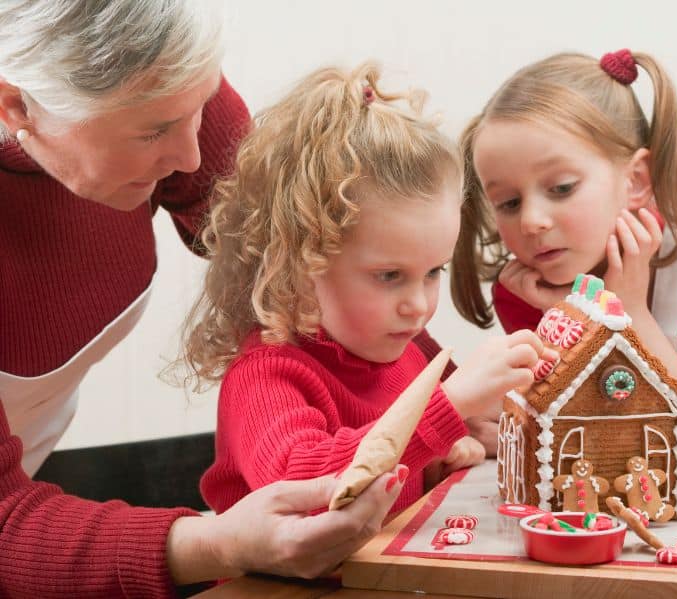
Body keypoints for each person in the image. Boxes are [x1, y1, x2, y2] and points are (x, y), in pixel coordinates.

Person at [0, 1, 406, 595]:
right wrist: (218, 542)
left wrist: (436, 388)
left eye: (199, 107)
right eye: (154, 132)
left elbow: (309, 259)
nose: (189, 157)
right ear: (17, 106)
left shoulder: (165, 87)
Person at [179, 62, 552, 516]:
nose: (419, 307)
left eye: (433, 271)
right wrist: (446, 409)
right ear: (300, 263)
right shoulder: (266, 375)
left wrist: (438, 460)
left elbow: (404, 469)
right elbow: (306, 494)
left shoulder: (409, 355)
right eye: (390, 276)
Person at [451, 49, 677, 422]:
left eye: (561, 188)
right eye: (509, 203)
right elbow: (578, 422)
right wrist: (574, 317)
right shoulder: (527, 291)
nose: (531, 222)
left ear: (635, 180)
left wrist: (628, 314)